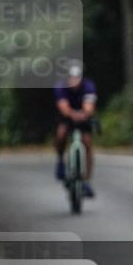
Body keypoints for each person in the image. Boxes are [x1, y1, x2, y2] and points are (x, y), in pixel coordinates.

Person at [54, 60, 97, 197]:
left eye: (77, 77)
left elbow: (89, 105)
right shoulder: (61, 87)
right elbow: (63, 107)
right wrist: (72, 114)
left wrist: (85, 113)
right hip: (68, 116)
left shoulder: (88, 86)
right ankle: (60, 160)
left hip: (83, 116)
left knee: (87, 143)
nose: (74, 81)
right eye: (71, 78)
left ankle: (87, 180)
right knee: (61, 134)